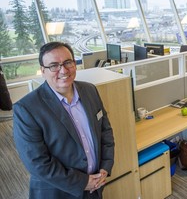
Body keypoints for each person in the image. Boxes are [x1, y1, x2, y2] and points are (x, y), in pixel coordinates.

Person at [13, 42, 115, 199]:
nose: (63, 70)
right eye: (54, 65)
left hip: (96, 186)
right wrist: (82, 182)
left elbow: (105, 131)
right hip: (58, 192)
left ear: (74, 64)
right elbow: (37, 163)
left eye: (68, 62)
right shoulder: (26, 109)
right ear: (43, 71)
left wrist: (105, 167)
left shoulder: (90, 90)